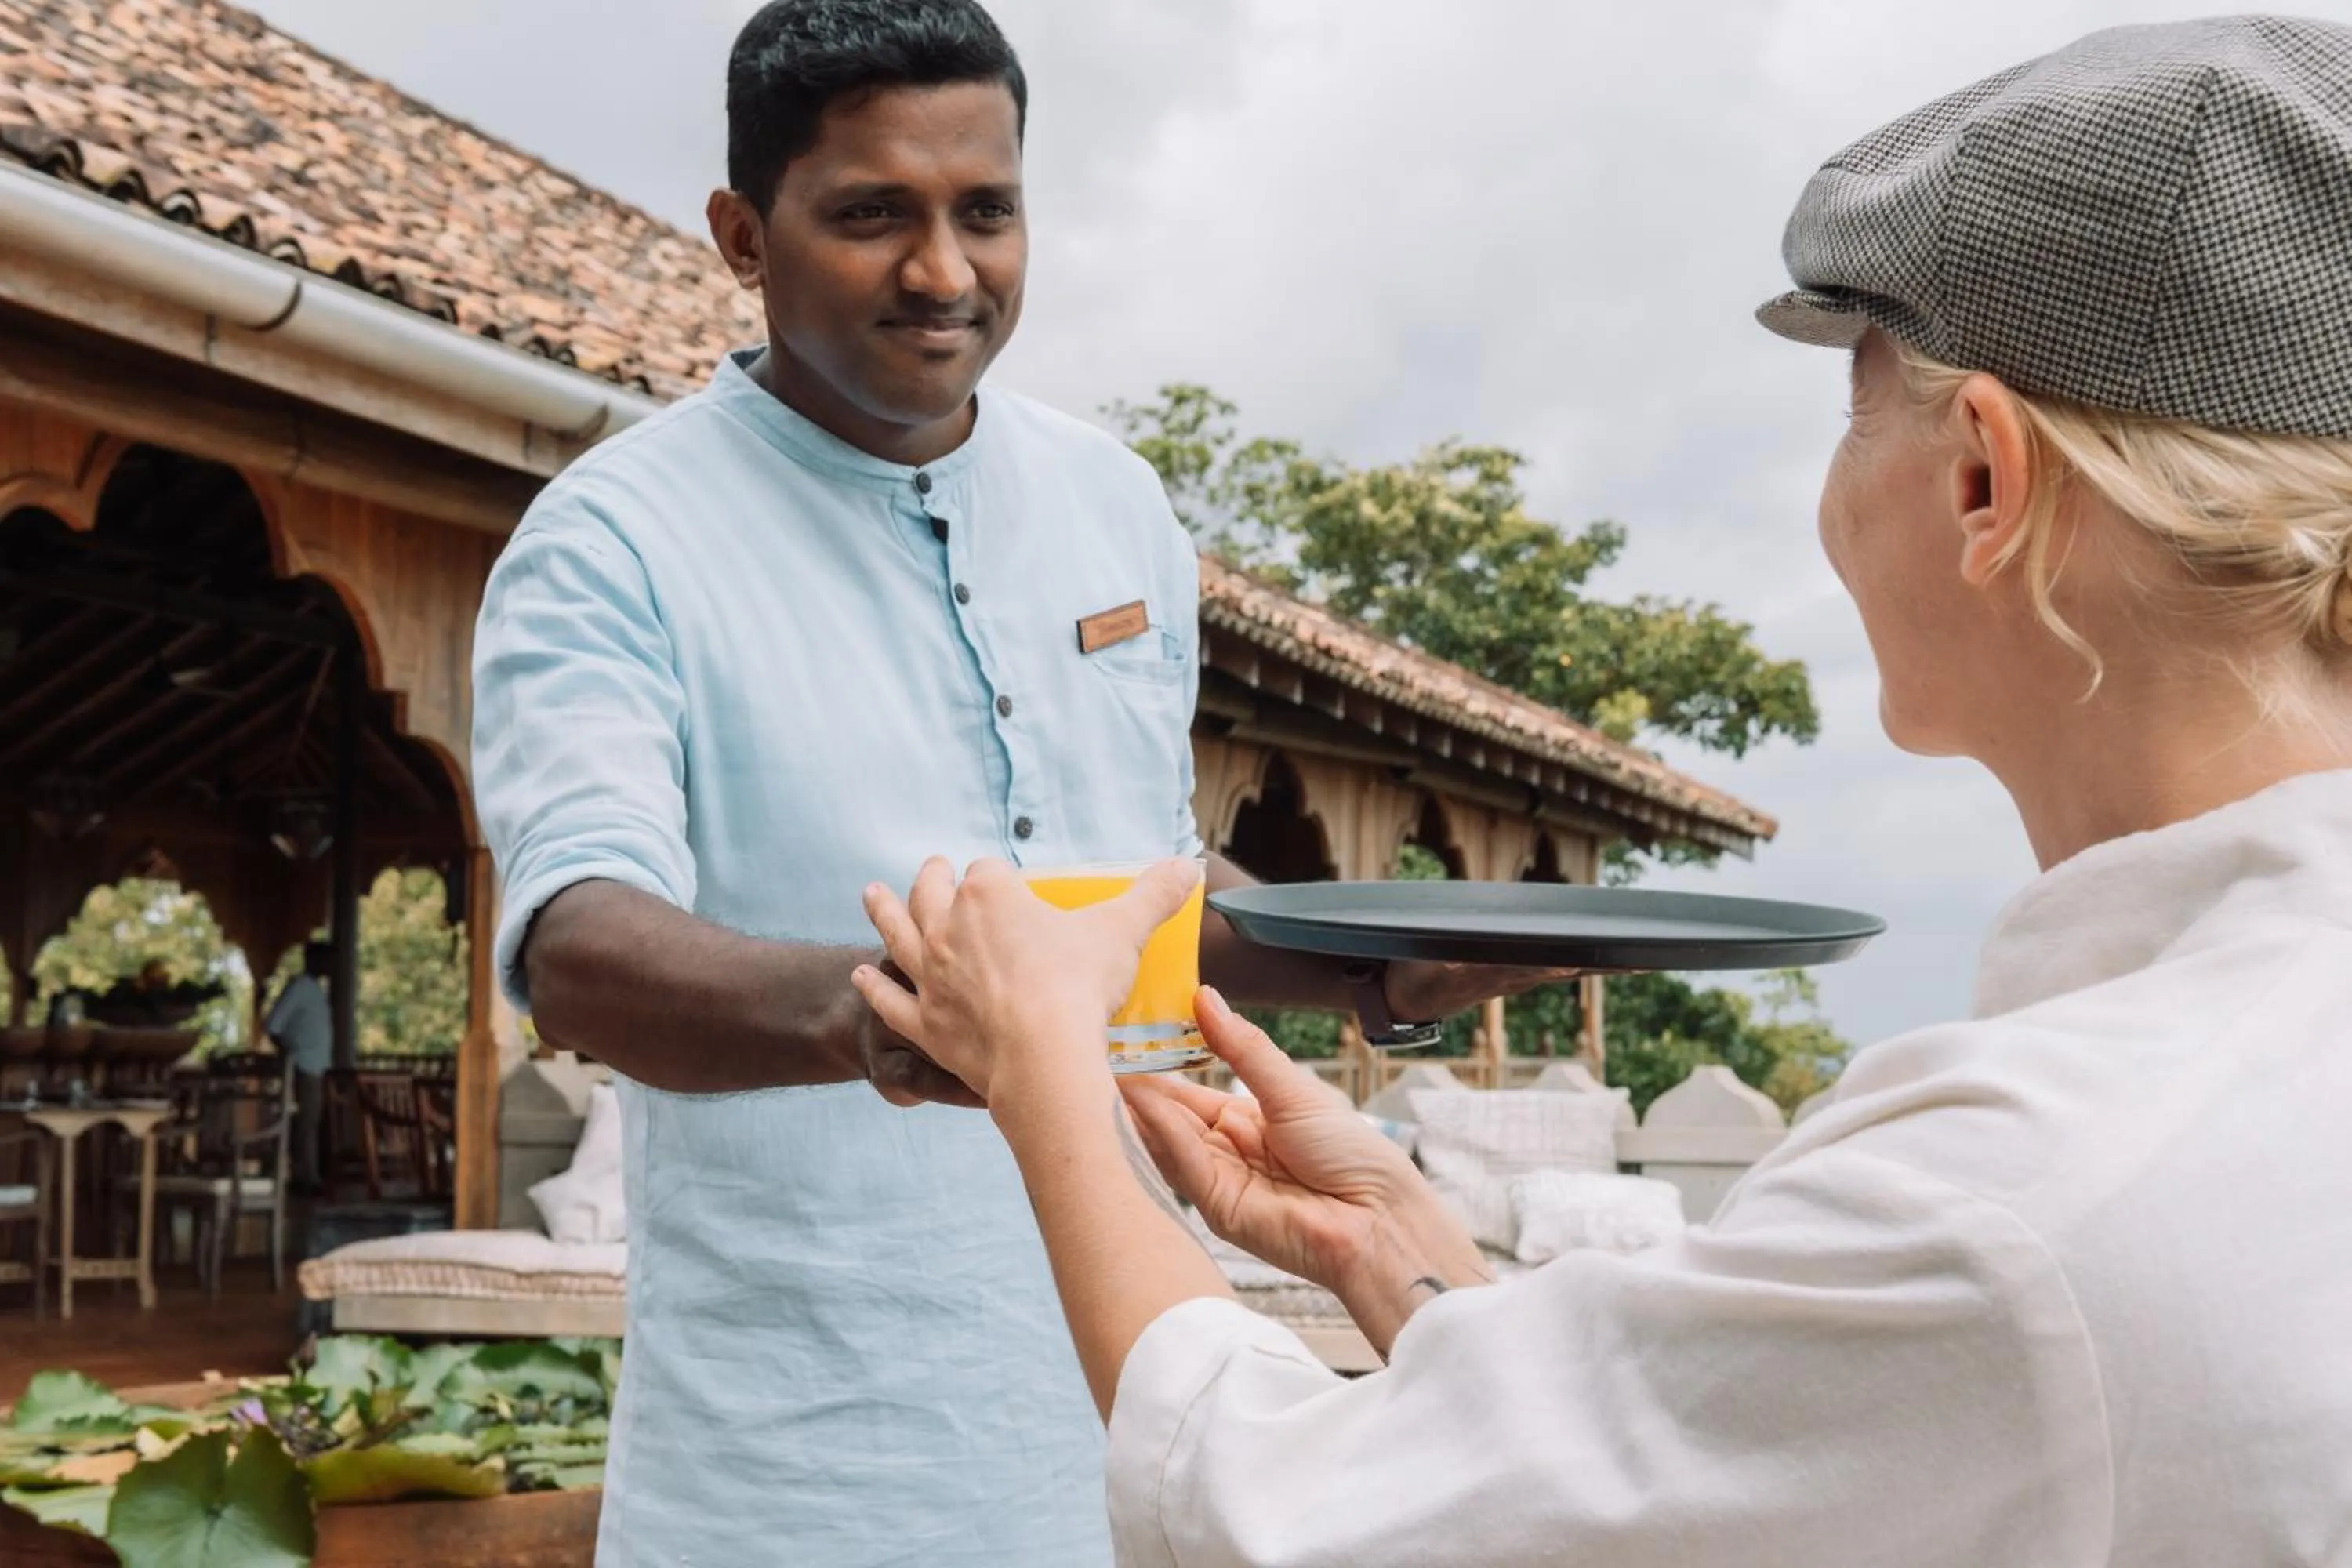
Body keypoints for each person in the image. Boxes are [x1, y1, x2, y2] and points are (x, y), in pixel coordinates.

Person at [854, 16, 2352, 1565]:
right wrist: (1415, 1270)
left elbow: (1285, 1510)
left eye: (1857, 403)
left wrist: (1042, 1061)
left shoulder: (2022, 1195)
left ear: (1985, 475)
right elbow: (1827, 1455)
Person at [470, 2, 1537, 1561]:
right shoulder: (611, 544)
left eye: (987, 211)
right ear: (738, 236)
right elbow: (578, 944)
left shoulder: (1111, 506)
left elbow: (1145, 891)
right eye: (870, 215)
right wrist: (900, 1016)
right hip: (786, 1479)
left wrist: (1375, 955)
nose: (946, 273)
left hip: (1135, 1429)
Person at [263, 941, 334, 1192]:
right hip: (303, 1065)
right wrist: (289, 1056)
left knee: (310, 1122)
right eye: (326, 959)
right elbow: (273, 1025)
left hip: (316, 1066)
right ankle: (304, 1178)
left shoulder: (316, 990)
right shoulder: (300, 987)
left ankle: (309, 1174)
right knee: (305, 1122)